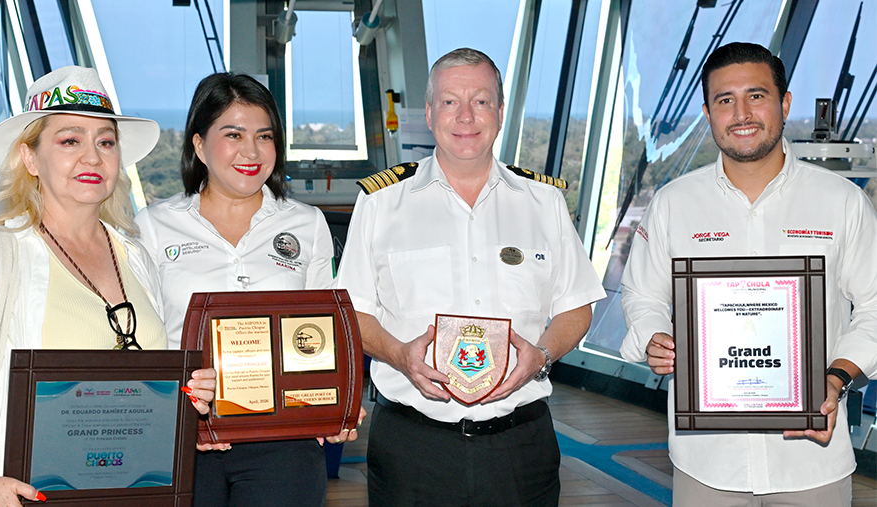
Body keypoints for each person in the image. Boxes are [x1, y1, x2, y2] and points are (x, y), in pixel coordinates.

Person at [336, 47, 606, 506]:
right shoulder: (382, 202)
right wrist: (400, 355)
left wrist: (540, 356)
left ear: (500, 113)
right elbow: (351, 311)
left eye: (481, 101)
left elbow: (576, 304)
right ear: (428, 112)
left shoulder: (545, 203)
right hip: (413, 446)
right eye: (449, 101)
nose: (465, 115)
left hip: (520, 445)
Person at [620, 42, 877, 506]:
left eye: (756, 96)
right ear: (707, 112)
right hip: (706, 464)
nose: (741, 113)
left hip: (811, 465)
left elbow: (876, 308)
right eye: (725, 100)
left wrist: (836, 377)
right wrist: (654, 336)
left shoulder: (842, 202)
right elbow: (642, 296)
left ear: (785, 103)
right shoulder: (674, 204)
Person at [0, 66, 219, 507]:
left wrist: (188, 393)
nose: (93, 158)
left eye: (105, 142)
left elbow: (150, 374)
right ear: (29, 158)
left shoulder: (134, 256)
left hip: (134, 494)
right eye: (69, 140)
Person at [135, 72, 362, 507]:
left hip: (285, 440)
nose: (251, 152)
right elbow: (143, 338)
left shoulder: (305, 223)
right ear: (199, 145)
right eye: (233, 134)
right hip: (183, 434)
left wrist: (338, 403)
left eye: (264, 136)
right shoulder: (154, 225)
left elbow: (324, 335)